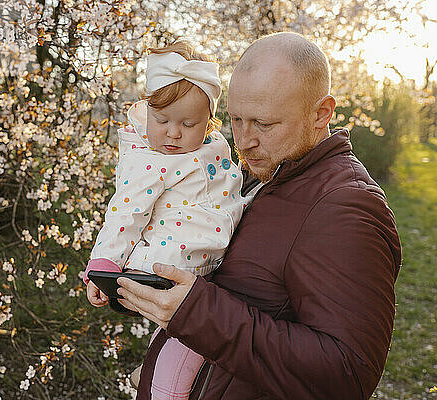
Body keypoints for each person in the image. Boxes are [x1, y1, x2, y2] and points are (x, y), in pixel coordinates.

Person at [116, 32, 402, 400]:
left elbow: (347, 373)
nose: (244, 140)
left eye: (264, 124)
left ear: (321, 113)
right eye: (236, 119)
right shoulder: (263, 173)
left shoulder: (346, 207)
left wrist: (196, 314)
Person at [83, 41, 249, 400]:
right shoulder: (148, 159)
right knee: (184, 350)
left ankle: (149, 377)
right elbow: (124, 213)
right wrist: (103, 265)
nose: (173, 133)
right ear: (146, 110)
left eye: (188, 124)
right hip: (166, 263)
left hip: (203, 263)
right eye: (162, 121)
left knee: (178, 343)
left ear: (209, 123)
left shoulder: (209, 146)